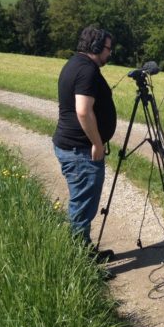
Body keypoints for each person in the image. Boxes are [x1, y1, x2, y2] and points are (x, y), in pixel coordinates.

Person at [52, 25, 117, 261]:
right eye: (108, 48)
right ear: (96, 47)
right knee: (82, 208)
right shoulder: (86, 71)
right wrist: (97, 144)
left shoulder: (74, 64)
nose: (110, 53)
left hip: (72, 147)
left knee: (83, 204)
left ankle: (84, 251)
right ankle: (80, 263)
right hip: (79, 151)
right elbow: (82, 111)